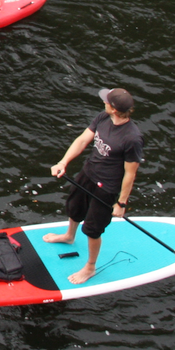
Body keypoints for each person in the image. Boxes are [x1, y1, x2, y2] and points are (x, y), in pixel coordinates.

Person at [42, 88, 145, 285]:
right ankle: (69, 236)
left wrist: (121, 203)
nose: (103, 102)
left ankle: (90, 267)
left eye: (107, 101)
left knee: (92, 229)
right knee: (74, 208)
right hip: (88, 173)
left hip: (106, 187)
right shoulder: (103, 117)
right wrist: (63, 162)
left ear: (114, 109)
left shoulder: (132, 138)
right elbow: (82, 140)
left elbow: (130, 174)